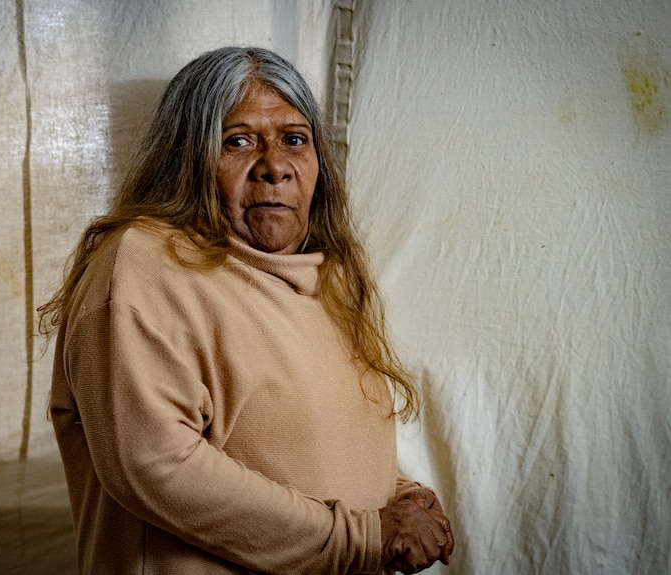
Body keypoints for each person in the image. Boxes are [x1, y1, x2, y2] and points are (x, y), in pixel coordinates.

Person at [40, 46, 454, 574]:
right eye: (238, 141)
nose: (274, 168)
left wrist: (399, 498)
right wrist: (367, 535)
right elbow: (159, 465)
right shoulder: (144, 262)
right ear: (185, 159)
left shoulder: (327, 278)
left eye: (295, 140)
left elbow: (303, 452)